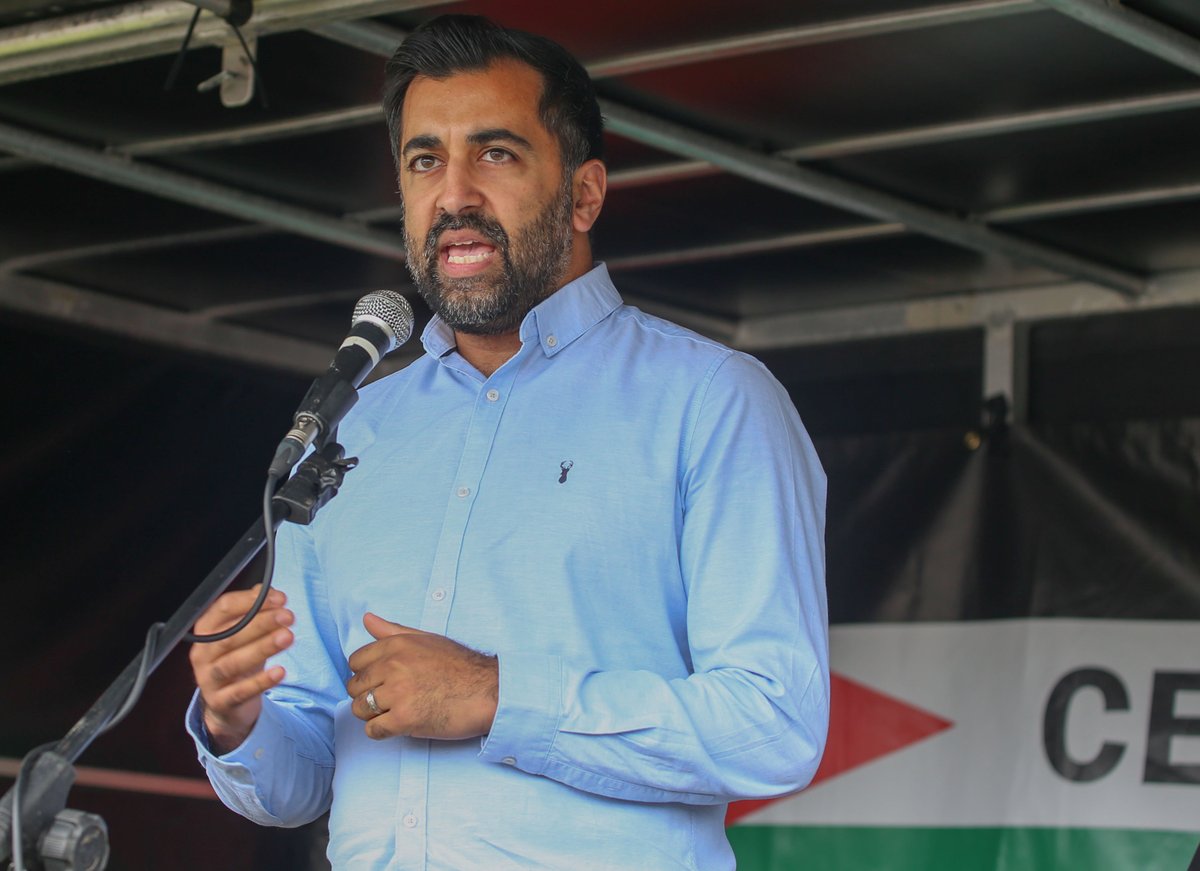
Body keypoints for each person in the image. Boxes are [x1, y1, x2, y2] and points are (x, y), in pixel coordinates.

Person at [186, 14, 829, 870]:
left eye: (496, 153)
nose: (453, 195)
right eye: (424, 161)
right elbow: (303, 775)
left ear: (586, 193)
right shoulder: (353, 428)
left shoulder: (712, 402)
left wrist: (497, 695)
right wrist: (240, 720)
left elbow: (774, 725)